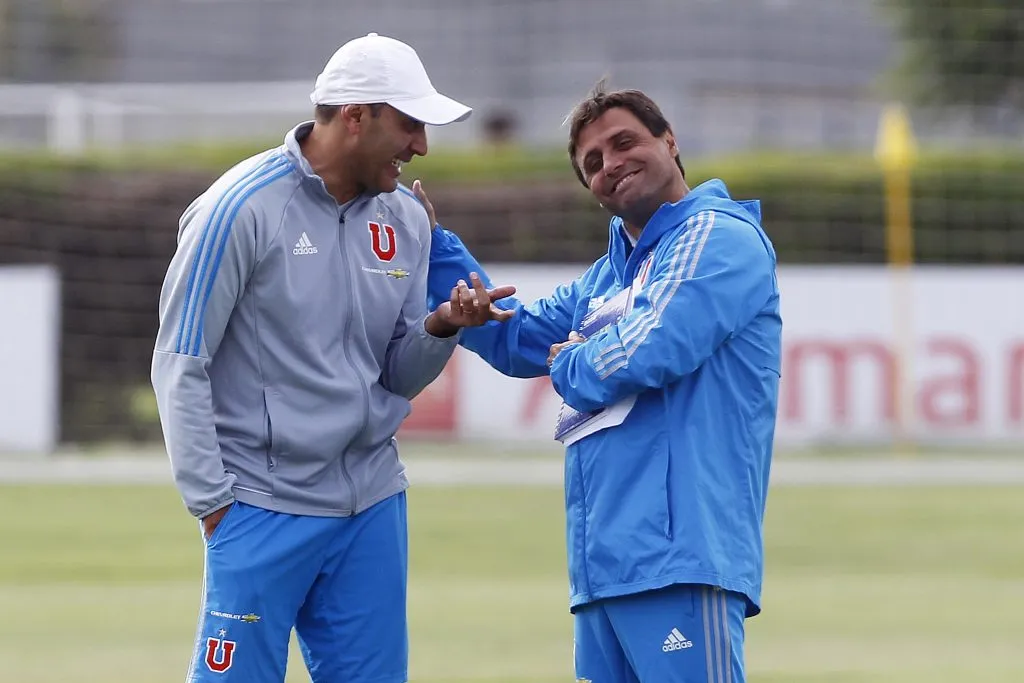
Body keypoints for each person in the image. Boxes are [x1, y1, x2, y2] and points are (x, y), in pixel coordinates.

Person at [150, 33, 514, 683]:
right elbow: (181, 361)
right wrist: (215, 509)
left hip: (371, 507)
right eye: (410, 124)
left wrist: (441, 327)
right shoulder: (239, 208)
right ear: (355, 116)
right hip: (259, 508)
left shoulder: (408, 219)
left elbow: (397, 374)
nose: (422, 146)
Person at [419, 83, 782, 683]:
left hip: (682, 558)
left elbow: (646, 350)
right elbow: (517, 336)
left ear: (670, 141)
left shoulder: (719, 236)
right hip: (603, 568)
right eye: (592, 162)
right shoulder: (607, 276)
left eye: (624, 142)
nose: (610, 163)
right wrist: (433, 250)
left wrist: (569, 361)